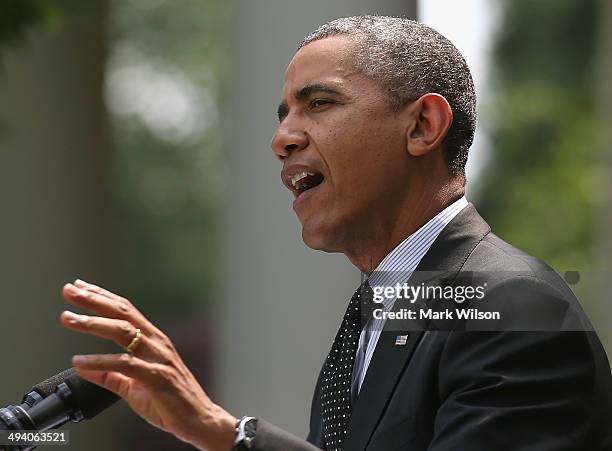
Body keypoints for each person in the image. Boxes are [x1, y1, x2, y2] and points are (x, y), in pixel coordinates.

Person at [59, 16, 612, 451]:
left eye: (319, 103)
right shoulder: (384, 309)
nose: (283, 138)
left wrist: (228, 435)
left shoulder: (513, 305)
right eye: (282, 115)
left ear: (422, 126)